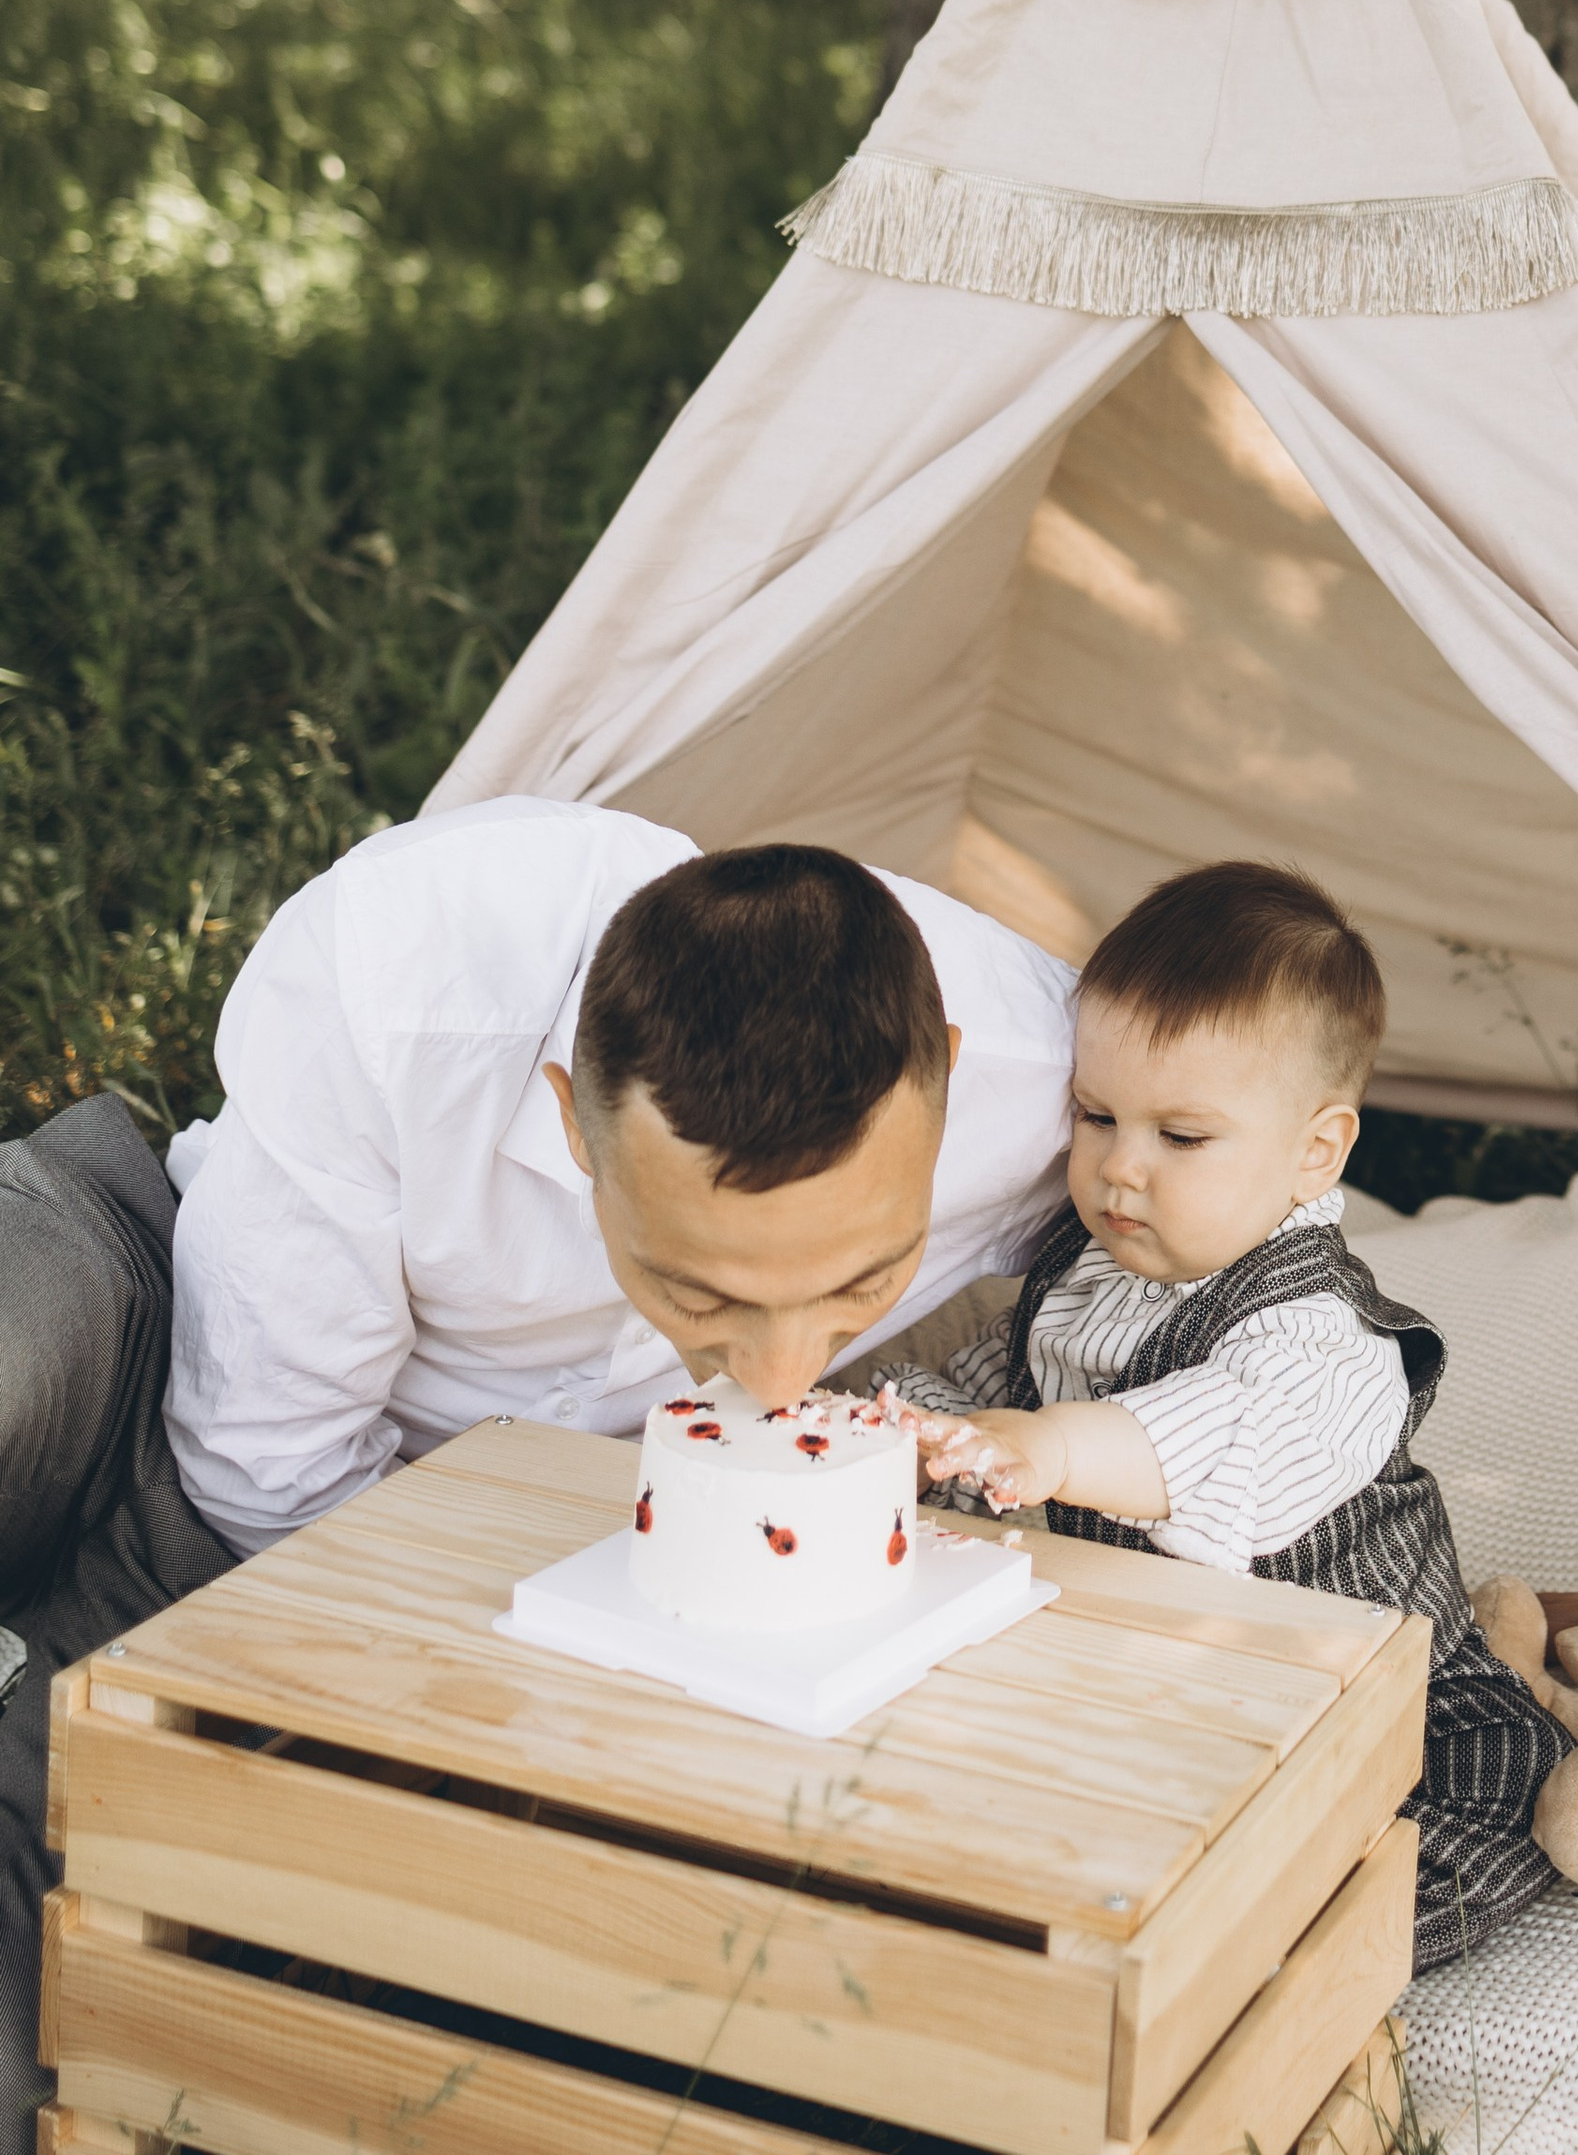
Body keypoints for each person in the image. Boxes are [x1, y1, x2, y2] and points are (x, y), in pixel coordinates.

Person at [2, 793, 1078, 2142]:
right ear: (576, 1124)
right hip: (171, 1372)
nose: (783, 1376)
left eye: (860, 1283)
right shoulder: (399, 973)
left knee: (59, 2030)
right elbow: (260, 1473)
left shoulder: (1048, 1069)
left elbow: (1267, 1194)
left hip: (500, 1571)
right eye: (702, 1293)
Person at [898, 859, 1572, 1970]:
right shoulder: (1090, 1267)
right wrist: (929, 1428)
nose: (1120, 1169)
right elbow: (1008, 1387)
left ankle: (1267, 1971)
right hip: (1176, 1684)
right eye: (1096, 1115)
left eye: (1182, 1137)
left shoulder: (1325, 1341)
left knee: (1451, 1832)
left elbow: (1213, 1439)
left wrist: (1050, 1447)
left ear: (1315, 1152)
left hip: (1359, 1693)